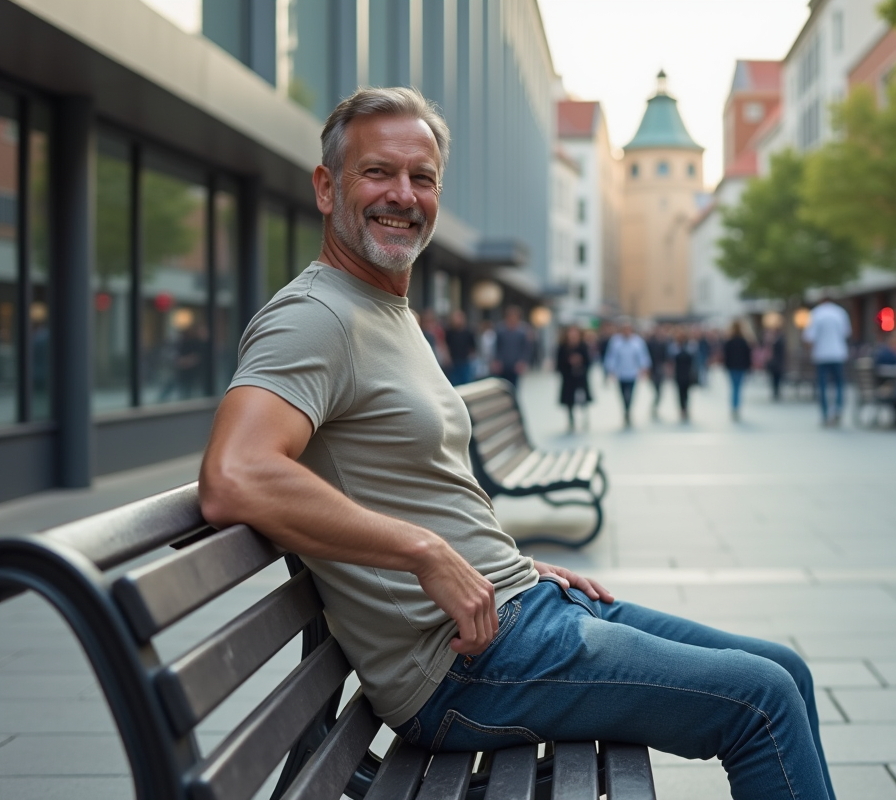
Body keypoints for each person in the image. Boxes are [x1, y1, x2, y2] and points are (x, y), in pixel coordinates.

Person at [199, 89, 834, 800]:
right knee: (762, 702)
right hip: (461, 666)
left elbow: (407, 482)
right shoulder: (313, 317)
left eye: (422, 177)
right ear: (325, 187)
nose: (403, 194)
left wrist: (506, 562)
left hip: (517, 609)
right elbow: (236, 474)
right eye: (377, 172)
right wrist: (426, 552)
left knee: (785, 670)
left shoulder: (384, 309)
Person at [803, 297, 852, 427]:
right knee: (839, 384)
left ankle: (825, 414)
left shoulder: (816, 313)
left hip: (821, 354)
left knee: (822, 385)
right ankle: (838, 409)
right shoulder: (840, 312)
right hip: (838, 353)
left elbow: (809, 337)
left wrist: (810, 351)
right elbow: (846, 333)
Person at [603, 320, 651, 429]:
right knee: (622, 393)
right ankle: (625, 409)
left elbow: (642, 356)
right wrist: (610, 369)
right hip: (621, 373)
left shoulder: (637, 342)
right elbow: (611, 356)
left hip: (633, 372)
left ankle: (628, 410)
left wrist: (644, 368)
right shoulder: (616, 342)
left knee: (630, 393)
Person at [555, 325, 591, 432]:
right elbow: (559, 363)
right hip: (568, 377)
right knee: (569, 399)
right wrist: (568, 362)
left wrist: (580, 363)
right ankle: (571, 419)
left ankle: (584, 416)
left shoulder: (583, 346)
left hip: (580, 376)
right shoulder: (563, 347)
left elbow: (588, 361)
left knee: (582, 397)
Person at [492, 306, 530, 388]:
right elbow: (497, 347)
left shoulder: (522, 331)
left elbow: (525, 348)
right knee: (502, 386)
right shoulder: (501, 330)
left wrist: (522, 361)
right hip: (503, 363)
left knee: (514, 386)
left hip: (515, 364)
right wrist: (496, 361)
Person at [723, 320, 753, 421]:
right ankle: (736, 408)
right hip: (741, 367)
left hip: (732, 367)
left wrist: (726, 366)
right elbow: (748, 355)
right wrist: (748, 367)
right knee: (738, 388)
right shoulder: (744, 341)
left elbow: (726, 356)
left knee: (734, 388)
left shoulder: (729, 341)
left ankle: (734, 407)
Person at [669, 327, 698, 422]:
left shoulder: (690, 345)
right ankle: (682, 409)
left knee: (686, 392)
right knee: (680, 392)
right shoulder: (674, 347)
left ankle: (685, 408)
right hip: (679, 373)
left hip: (687, 373)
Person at [444, 310, 477, 386]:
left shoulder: (468, 332)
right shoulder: (449, 332)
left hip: (465, 361)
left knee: (466, 382)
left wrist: (471, 359)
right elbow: (446, 345)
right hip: (453, 361)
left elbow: (473, 347)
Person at [646, 325, 670, 419]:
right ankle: (654, 405)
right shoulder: (650, 343)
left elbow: (666, 357)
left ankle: (655, 406)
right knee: (656, 390)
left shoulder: (664, 343)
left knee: (660, 391)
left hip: (660, 369)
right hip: (652, 369)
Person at [765, 327, 786, 401]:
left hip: (776, 363)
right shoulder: (778, 341)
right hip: (777, 363)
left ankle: (776, 392)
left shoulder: (778, 341)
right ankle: (776, 392)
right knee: (775, 379)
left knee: (776, 379)